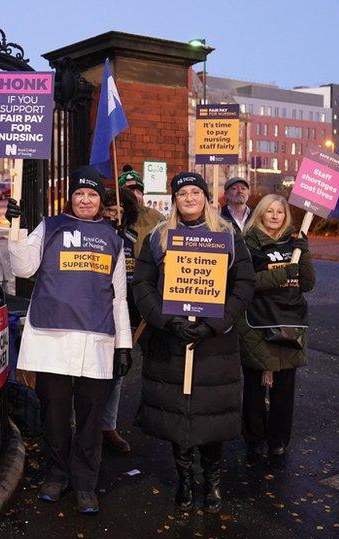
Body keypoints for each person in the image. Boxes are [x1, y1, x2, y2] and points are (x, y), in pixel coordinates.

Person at [5, 166, 133, 515]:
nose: (86, 200)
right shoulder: (50, 226)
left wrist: (124, 345)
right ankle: (56, 475)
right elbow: (23, 268)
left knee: (91, 419)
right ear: (71, 197)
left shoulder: (113, 238)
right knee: (55, 415)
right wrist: (15, 230)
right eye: (80, 194)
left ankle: (86, 484)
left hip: (96, 340)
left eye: (92, 195)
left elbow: (118, 297)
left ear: (101, 201)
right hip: (52, 338)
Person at [133, 172, 255, 514]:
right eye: (182, 193)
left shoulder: (228, 236)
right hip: (172, 341)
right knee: (177, 417)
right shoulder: (159, 236)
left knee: (210, 416)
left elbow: (244, 285)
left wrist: (214, 324)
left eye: (195, 192)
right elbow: (142, 284)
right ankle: (185, 477)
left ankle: (212, 479)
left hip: (214, 345)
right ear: (175, 199)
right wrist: (166, 319)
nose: (189, 198)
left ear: (205, 196)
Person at [236, 194, 315, 458]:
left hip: (290, 322)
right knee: (255, 387)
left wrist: (304, 253)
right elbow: (247, 283)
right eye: (269, 211)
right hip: (256, 323)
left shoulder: (295, 243)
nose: (274, 216)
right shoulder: (248, 244)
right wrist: (281, 275)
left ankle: (278, 439)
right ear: (260, 214)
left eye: (279, 212)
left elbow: (307, 283)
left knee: (284, 388)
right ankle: (254, 438)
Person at [100, 187, 140, 453]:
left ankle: (108, 426)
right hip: (96, 312)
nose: (116, 216)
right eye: (111, 210)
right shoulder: (94, 236)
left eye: (121, 212)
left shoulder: (131, 237)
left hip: (124, 311)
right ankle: (81, 425)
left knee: (118, 375)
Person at [118, 167, 164, 259]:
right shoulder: (114, 216)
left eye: (138, 191)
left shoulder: (155, 217)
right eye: (130, 191)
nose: (135, 195)